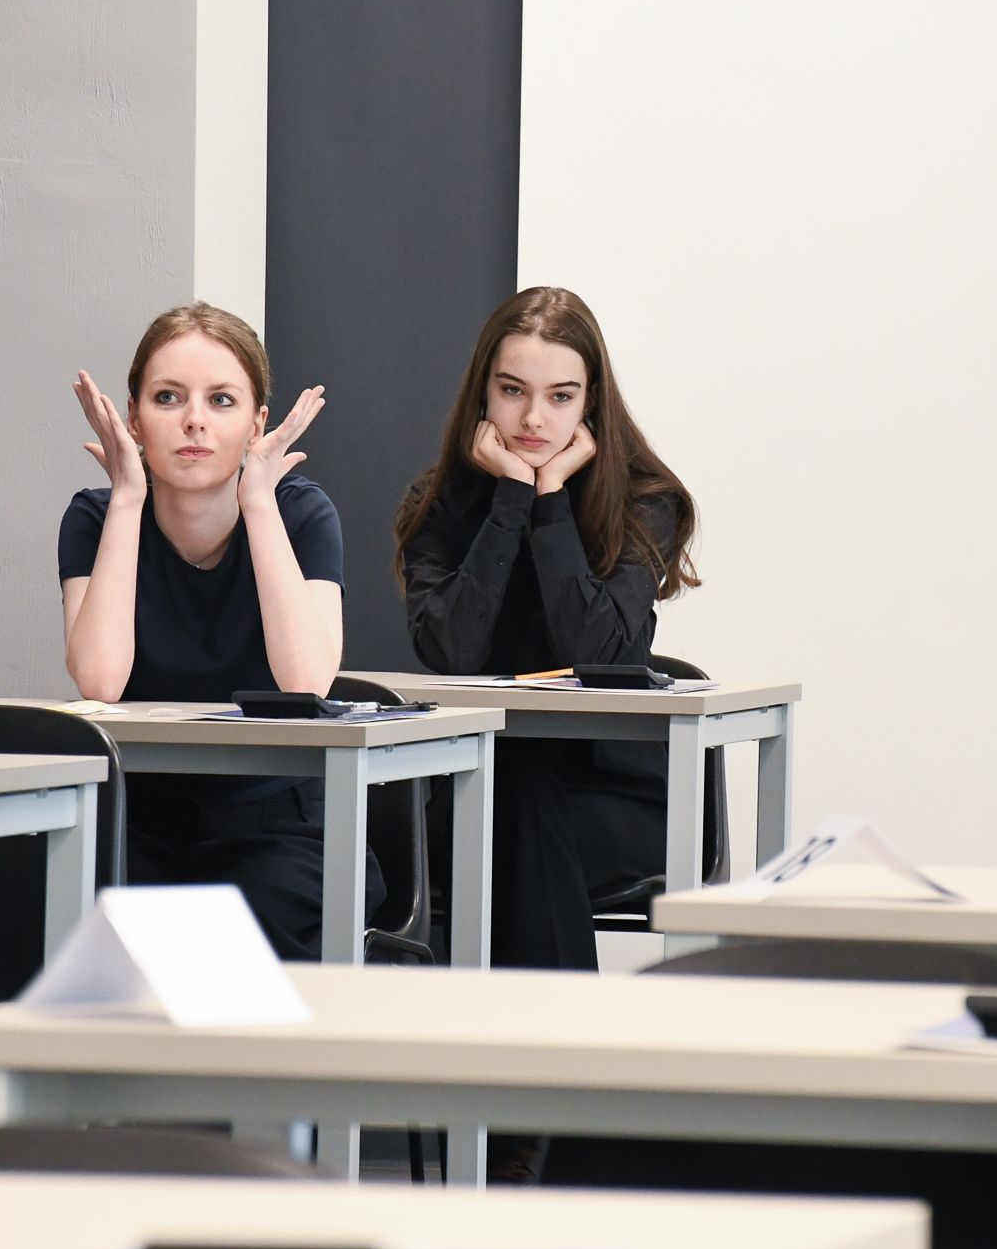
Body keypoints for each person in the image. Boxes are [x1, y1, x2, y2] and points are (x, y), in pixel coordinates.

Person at [394, 286, 700, 971]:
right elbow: (450, 649)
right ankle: (559, 1025)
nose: (534, 418)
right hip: (476, 784)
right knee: (510, 795)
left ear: (590, 404)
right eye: (513, 391)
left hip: (612, 795)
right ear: (483, 393)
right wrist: (511, 499)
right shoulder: (438, 503)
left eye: (560, 396)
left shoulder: (646, 502)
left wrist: (551, 497)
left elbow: (598, 653)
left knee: (518, 807)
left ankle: (515, 1025)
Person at [58, 303, 371, 960]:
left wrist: (258, 500)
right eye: (168, 398)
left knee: (239, 940)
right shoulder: (96, 517)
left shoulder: (302, 513)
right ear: (133, 417)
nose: (194, 420)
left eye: (221, 400)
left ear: (258, 422)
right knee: (91, 938)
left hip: (281, 822)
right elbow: (100, 681)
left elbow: (307, 681)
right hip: (136, 817)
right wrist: (127, 497)